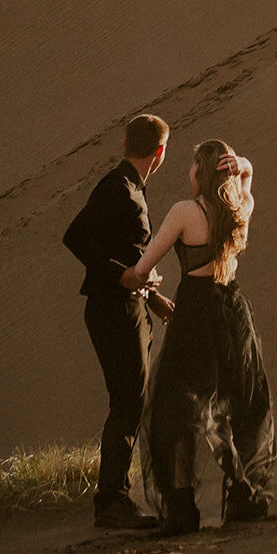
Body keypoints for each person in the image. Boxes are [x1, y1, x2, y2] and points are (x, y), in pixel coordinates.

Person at [123, 139, 276, 536]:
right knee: (236, 406)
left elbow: (142, 268)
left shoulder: (185, 212)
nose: (188, 173)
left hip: (194, 318)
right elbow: (247, 180)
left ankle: (182, 508)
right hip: (233, 317)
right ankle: (243, 495)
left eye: (193, 166)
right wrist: (244, 167)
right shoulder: (240, 207)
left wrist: (143, 283)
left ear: (201, 171)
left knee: (176, 413)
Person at [63, 112, 174, 530]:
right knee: (128, 399)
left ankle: (115, 498)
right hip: (113, 308)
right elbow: (75, 236)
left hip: (128, 303)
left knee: (133, 398)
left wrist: (150, 294)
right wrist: (122, 275)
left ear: (126, 144)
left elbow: (122, 251)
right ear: (159, 153)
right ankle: (111, 501)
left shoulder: (130, 189)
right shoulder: (120, 189)